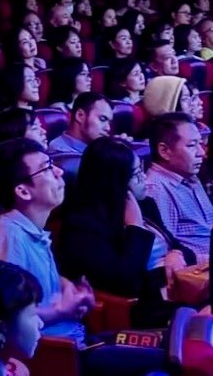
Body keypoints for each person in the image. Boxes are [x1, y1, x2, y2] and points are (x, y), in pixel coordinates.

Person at [0, 139, 166, 376]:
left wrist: (68, 287)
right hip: (58, 357)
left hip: (80, 340)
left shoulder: (32, 230)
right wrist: (59, 311)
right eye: (46, 168)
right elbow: (8, 320)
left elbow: (37, 284)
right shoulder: (9, 237)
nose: (59, 171)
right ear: (22, 191)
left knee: (174, 340)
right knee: (170, 361)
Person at [52, 136, 176, 326]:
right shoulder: (82, 228)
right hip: (139, 307)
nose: (144, 178)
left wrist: (175, 254)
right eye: (136, 174)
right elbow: (125, 282)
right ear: (114, 182)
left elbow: (179, 246)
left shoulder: (146, 204)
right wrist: (135, 227)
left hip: (170, 289)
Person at [135, 112, 213, 264]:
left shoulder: (190, 176)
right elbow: (169, 251)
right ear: (164, 151)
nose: (202, 153)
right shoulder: (156, 189)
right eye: (192, 145)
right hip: (203, 268)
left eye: (200, 144)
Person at [45, 93, 110, 175]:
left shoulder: (99, 147)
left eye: (109, 122)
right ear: (80, 116)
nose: (108, 128)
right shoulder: (59, 152)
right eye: (102, 119)